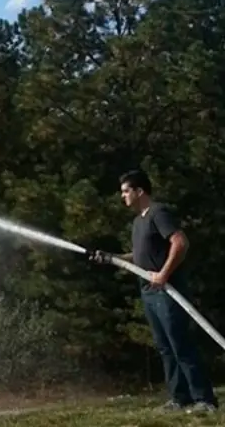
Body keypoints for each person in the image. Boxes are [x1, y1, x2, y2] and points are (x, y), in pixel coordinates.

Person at [88, 169, 218, 414]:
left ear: (139, 191)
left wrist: (164, 274)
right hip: (149, 291)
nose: (122, 196)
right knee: (165, 346)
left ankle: (204, 400)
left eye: (126, 191)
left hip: (168, 291)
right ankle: (180, 399)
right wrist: (112, 258)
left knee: (181, 344)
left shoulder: (159, 213)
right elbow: (139, 258)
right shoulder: (138, 222)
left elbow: (180, 243)